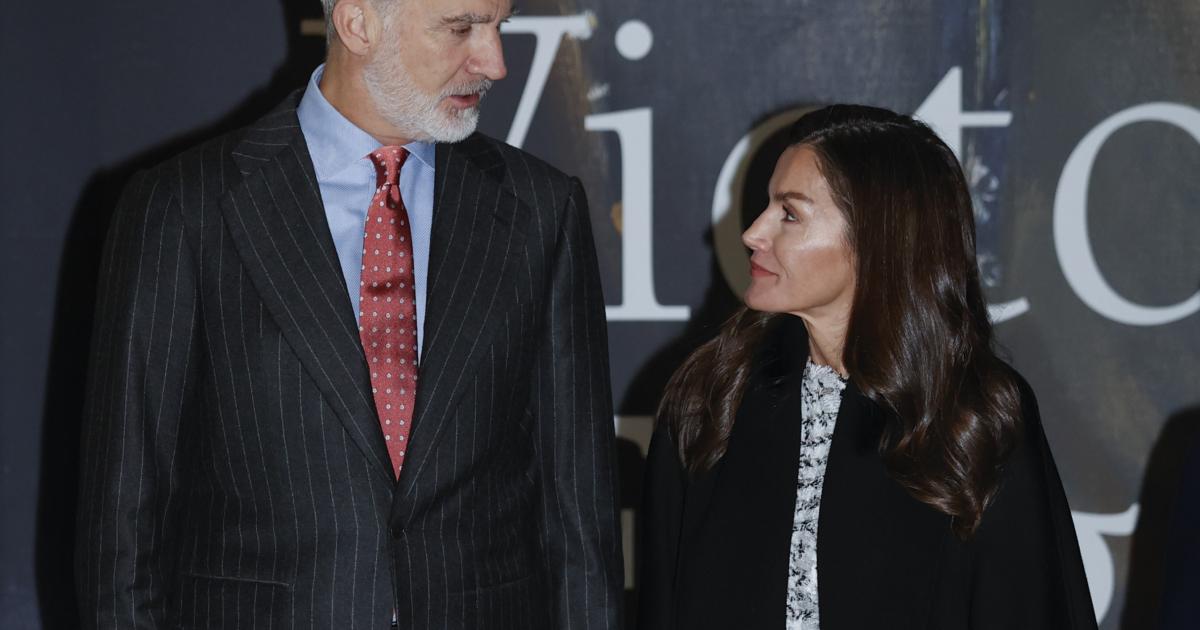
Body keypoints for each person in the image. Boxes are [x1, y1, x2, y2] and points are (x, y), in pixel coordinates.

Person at [75, 0, 623, 628]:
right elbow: (122, 531)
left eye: (499, 27)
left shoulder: (540, 210)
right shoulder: (183, 208)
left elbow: (580, 523)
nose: (495, 62)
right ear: (358, 22)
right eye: (461, 28)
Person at [637, 104, 1096, 629]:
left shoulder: (974, 412)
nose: (753, 233)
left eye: (790, 213)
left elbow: (1027, 609)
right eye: (769, 206)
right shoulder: (713, 393)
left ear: (877, 238)